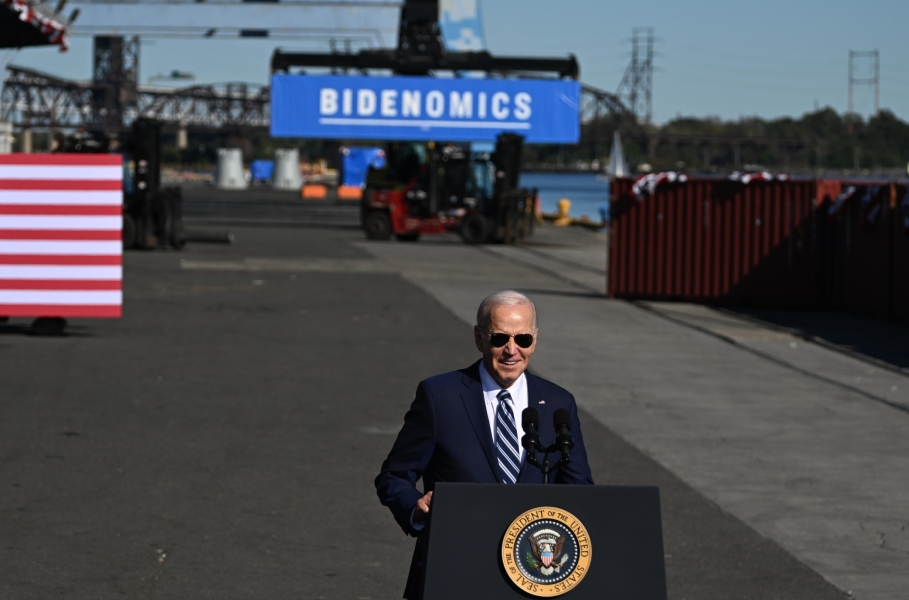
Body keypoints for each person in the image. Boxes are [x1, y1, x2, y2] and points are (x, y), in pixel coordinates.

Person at [374, 290, 594, 600]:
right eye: (499, 338)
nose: (511, 350)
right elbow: (394, 476)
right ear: (479, 338)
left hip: (534, 578)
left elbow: (580, 490)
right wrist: (415, 506)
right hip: (453, 570)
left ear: (535, 339)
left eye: (523, 340)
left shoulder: (558, 403)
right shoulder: (440, 396)